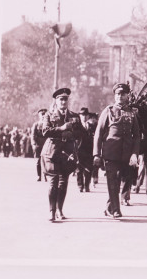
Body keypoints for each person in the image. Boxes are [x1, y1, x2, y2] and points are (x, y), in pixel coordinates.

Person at [93, 83, 141, 218]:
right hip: (111, 152)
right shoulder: (108, 111)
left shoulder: (132, 113)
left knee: (118, 181)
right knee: (112, 181)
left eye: (123, 94)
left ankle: (109, 207)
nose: (120, 96)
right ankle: (116, 210)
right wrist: (97, 154)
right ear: (115, 96)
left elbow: (137, 136)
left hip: (126, 154)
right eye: (118, 94)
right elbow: (99, 133)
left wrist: (135, 154)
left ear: (127, 96)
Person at [41, 88, 83, 221]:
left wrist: (71, 134)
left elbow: (81, 133)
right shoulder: (49, 115)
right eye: (61, 99)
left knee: (63, 182)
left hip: (67, 154)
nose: (63, 102)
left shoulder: (74, 116)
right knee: (53, 182)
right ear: (56, 101)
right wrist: (61, 129)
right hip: (52, 152)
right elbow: (45, 131)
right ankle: (51, 211)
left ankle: (60, 209)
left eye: (65, 99)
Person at [76, 107, 96, 192]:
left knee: (89, 169)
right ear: (79, 116)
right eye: (82, 115)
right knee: (79, 169)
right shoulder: (76, 126)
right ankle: (80, 185)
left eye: (86, 115)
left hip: (89, 150)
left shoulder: (93, 126)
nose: (84, 117)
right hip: (79, 150)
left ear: (88, 116)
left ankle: (87, 185)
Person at [31, 109, 47, 182]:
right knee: (38, 161)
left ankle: (45, 175)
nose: (43, 116)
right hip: (38, 145)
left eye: (44, 114)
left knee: (46, 161)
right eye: (41, 114)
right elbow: (33, 135)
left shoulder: (48, 124)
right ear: (39, 116)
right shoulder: (36, 124)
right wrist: (34, 144)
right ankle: (39, 176)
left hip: (46, 145)